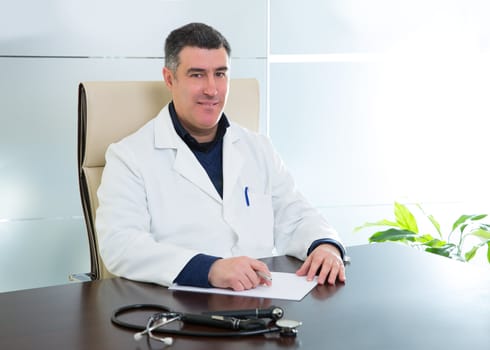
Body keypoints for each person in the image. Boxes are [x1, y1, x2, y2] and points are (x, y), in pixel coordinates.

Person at [96, 22, 346, 292]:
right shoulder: (129, 157)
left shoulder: (257, 147)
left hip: (261, 302)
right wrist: (210, 269)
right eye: (197, 75)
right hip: (181, 311)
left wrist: (324, 245)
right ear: (170, 79)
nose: (212, 89)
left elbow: (295, 215)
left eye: (220, 74)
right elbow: (120, 245)